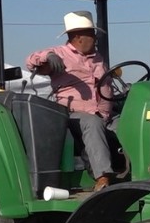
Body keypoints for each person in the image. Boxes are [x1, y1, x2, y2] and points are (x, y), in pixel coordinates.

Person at [26, 11, 114, 192]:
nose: (95, 38)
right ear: (78, 37)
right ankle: (103, 178)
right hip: (74, 116)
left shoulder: (98, 58)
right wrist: (47, 58)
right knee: (92, 123)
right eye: (91, 34)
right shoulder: (59, 54)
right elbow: (31, 60)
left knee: (135, 123)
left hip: (106, 114)